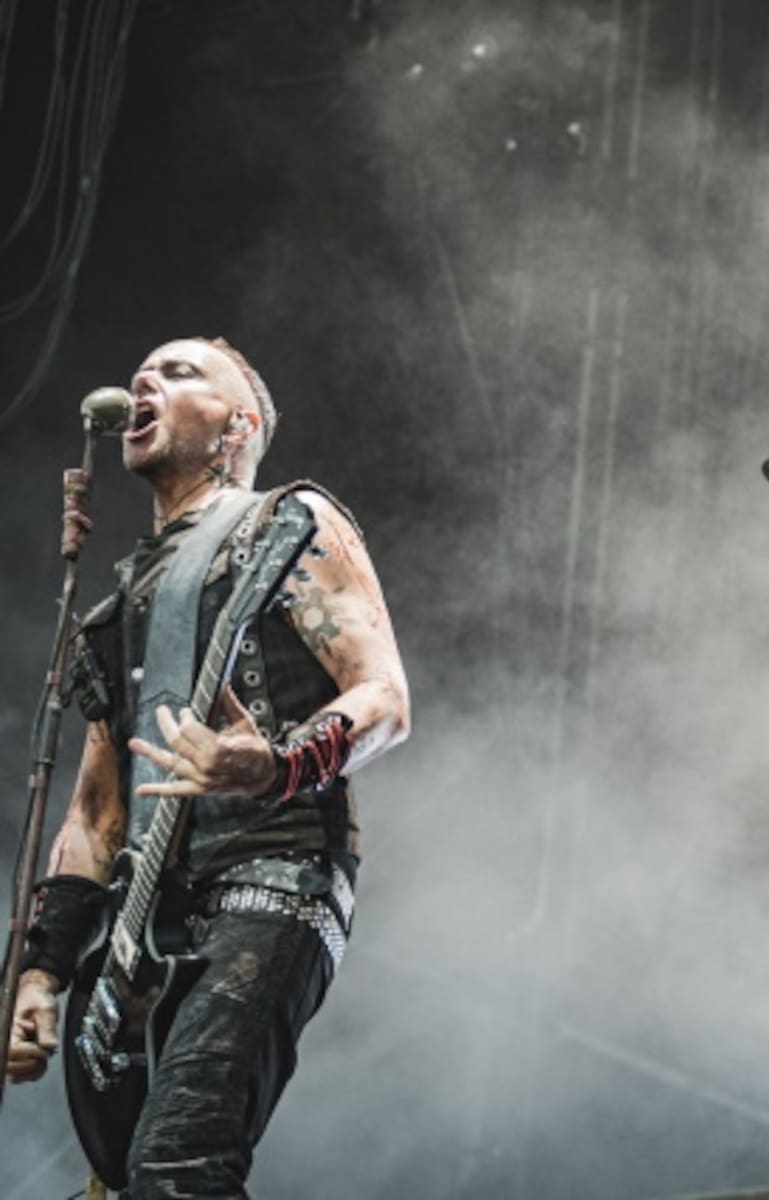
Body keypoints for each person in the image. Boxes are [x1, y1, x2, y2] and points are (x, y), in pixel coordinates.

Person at [5, 337, 411, 1195]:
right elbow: (95, 817)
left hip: (276, 873)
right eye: (143, 371)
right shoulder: (114, 611)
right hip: (147, 925)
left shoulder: (289, 525)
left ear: (239, 426)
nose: (144, 379)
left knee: (180, 1161)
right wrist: (40, 973)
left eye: (181, 371)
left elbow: (384, 698)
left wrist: (275, 764)